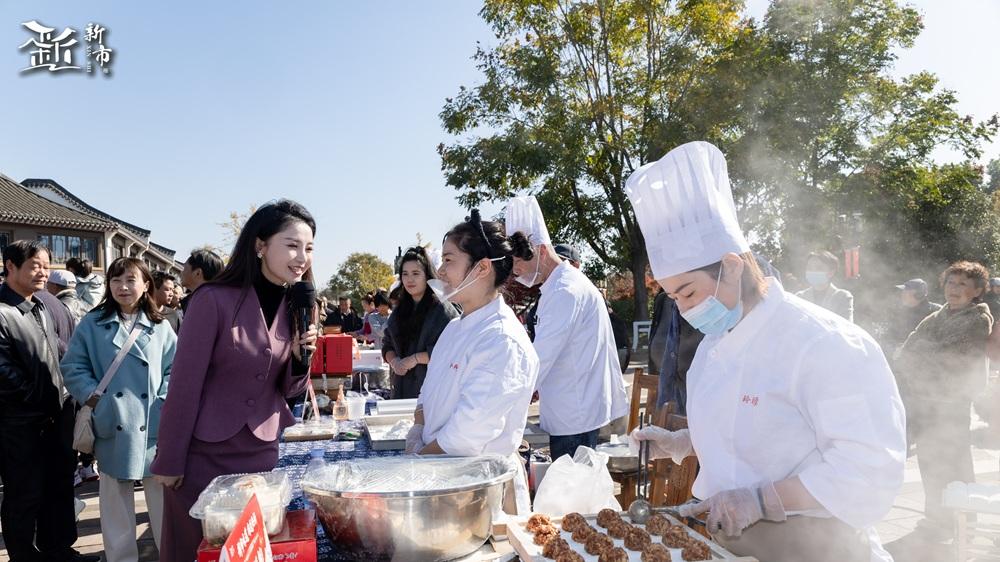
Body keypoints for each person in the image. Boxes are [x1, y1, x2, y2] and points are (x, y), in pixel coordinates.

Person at [626, 141, 905, 562]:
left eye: (687, 292)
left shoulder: (824, 342)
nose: (683, 310)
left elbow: (868, 470)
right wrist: (682, 442)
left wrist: (761, 501)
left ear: (732, 266)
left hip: (816, 547)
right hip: (727, 544)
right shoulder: (714, 347)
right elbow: (751, 434)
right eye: (672, 297)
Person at [150, 201, 318, 562]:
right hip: (203, 456)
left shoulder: (298, 308)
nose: (301, 257)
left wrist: (303, 358)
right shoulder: (212, 300)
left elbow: (289, 391)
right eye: (291, 245)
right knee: (197, 550)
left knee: (250, 552)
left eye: (308, 248)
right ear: (260, 245)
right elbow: (184, 385)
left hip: (260, 455)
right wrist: (170, 460)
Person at [406, 210, 539, 512]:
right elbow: (428, 391)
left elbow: (467, 435)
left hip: (477, 493)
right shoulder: (455, 328)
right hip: (440, 477)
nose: (439, 271)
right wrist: (418, 430)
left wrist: (418, 461)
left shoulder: (501, 339)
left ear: (481, 269)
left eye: (449, 260)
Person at [61, 257, 177, 562]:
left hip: (154, 420)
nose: (123, 287)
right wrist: (97, 399)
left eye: (130, 280)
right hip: (113, 420)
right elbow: (73, 366)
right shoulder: (92, 323)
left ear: (146, 284)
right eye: (115, 280)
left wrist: (164, 400)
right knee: (114, 501)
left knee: (162, 499)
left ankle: (170, 554)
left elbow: (175, 370)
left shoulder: (161, 325)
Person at [506, 196, 628, 461]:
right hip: (571, 406)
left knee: (572, 493)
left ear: (539, 250)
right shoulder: (557, 286)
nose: (516, 272)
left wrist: (504, 402)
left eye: (518, 263)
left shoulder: (565, 291)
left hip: (576, 413)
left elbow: (540, 359)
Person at [0, 240, 98, 562]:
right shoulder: (2, 311)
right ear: (10, 266)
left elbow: (54, 358)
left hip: (54, 417)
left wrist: (64, 401)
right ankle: (23, 556)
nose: (43, 272)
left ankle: (59, 550)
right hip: (20, 423)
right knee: (23, 496)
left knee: (58, 488)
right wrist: (37, 401)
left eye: (45, 265)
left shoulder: (40, 305)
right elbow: (4, 373)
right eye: (34, 265)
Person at [894, 261, 992, 547]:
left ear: (977, 291)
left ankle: (965, 522)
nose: (954, 289)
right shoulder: (935, 316)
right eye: (951, 282)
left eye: (963, 284)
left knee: (955, 463)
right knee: (929, 462)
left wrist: (926, 353)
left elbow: (952, 357)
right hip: (926, 400)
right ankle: (936, 518)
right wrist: (927, 353)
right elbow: (907, 351)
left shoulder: (978, 318)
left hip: (953, 402)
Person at [382, 247, 459, 399]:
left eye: (416, 274)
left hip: (433, 391)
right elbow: (387, 345)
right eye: (405, 274)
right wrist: (395, 361)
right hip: (401, 390)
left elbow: (452, 349)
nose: (410, 279)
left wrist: (416, 358)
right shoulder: (399, 311)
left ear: (427, 275)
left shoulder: (443, 310)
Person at [796, 251, 854, 322]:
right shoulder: (800, 297)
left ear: (831, 272)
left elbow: (846, 326)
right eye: (809, 267)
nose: (813, 271)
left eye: (819, 268)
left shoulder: (842, 296)